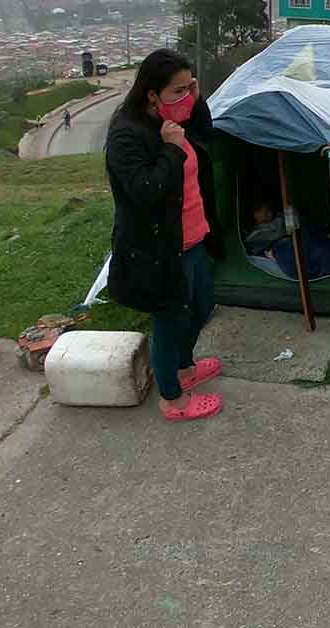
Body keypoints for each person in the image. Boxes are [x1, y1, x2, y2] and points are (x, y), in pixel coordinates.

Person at [105, 50, 225, 421]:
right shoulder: (128, 134)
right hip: (161, 247)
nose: (185, 97)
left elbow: (207, 134)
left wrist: (196, 99)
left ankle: (184, 367)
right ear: (151, 93)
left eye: (190, 87)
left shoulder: (178, 117)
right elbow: (143, 190)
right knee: (170, 319)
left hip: (194, 235)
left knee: (202, 306)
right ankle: (172, 398)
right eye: (178, 90)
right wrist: (171, 151)